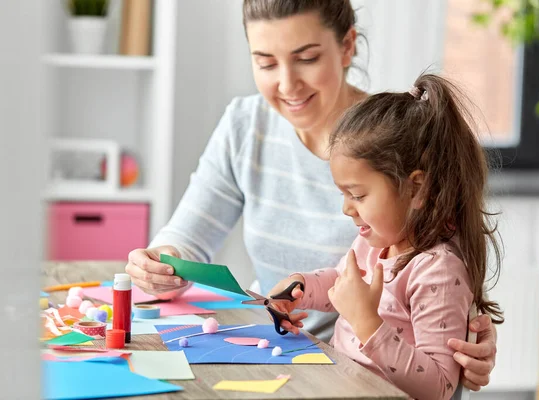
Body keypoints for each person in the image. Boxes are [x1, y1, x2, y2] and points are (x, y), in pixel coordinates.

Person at [124, 0, 497, 391]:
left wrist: (470, 334)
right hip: (292, 360)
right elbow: (187, 240)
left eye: (306, 58)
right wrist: (160, 264)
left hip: (360, 378)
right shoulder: (245, 125)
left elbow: (448, 264)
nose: (287, 84)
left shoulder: (397, 142)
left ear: (347, 45)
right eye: (266, 63)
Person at [267, 75, 504, 399]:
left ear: (416, 188)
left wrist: (367, 323)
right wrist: (300, 287)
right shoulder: (373, 242)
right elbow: (341, 281)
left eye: (358, 195)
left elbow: (438, 386)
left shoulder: (438, 271)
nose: (346, 209)